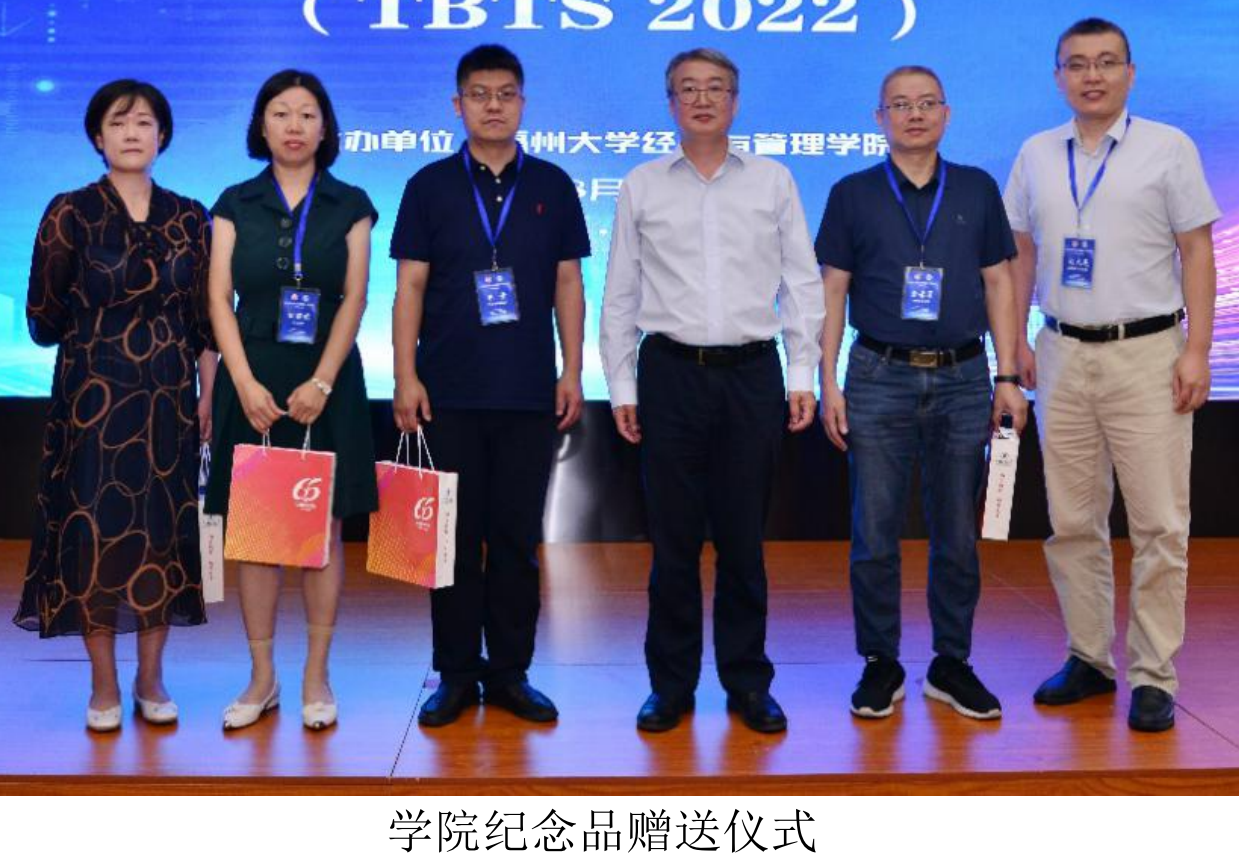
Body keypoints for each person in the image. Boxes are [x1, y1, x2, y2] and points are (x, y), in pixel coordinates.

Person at [1004, 16, 1220, 734]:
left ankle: (1154, 675)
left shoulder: (1168, 147)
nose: (1091, 76)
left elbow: (1197, 251)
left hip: (1148, 352)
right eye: (1076, 64)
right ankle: (1089, 659)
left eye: (1105, 62)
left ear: (1130, 72)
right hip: (1060, 351)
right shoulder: (1036, 153)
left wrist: (1197, 350)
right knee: (1071, 521)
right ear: (1057, 76)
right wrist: (1014, 343)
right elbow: (1021, 254)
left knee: (1158, 523)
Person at [600, 47, 824, 735]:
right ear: (670, 103)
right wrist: (620, 382)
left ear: (735, 101)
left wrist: (802, 371)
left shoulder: (773, 180)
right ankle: (670, 686)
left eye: (716, 88)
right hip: (669, 374)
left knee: (742, 542)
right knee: (672, 544)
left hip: (752, 375)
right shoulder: (641, 184)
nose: (702, 99)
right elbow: (621, 290)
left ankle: (747, 682)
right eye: (688, 89)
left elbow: (802, 281)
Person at [815, 65, 1026, 721]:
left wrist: (1008, 375)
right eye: (900, 105)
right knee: (874, 529)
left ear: (946, 113)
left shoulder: (976, 188)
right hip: (878, 374)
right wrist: (826, 380)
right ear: (879, 118)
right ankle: (880, 662)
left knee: (957, 530)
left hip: (964, 377)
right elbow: (832, 291)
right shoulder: (852, 193)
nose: (914, 114)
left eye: (927, 103)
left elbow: (1000, 283)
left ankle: (951, 662)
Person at [390, 44, 590, 728]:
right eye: (479, 94)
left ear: (523, 103)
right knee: (449, 541)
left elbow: (569, 282)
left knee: (514, 541)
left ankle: (509, 672)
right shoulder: (429, 186)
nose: (493, 105)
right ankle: (454, 673)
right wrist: (405, 374)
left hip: (529, 392)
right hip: (447, 391)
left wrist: (572, 369)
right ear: (458, 105)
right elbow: (409, 286)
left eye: (506, 94)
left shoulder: (553, 184)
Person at [18, 79, 214, 732]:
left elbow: (207, 322)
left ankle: (150, 679)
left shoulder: (191, 217)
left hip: (168, 403)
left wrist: (209, 394)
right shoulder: (70, 213)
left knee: (161, 538)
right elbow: (43, 318)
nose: (133, 132)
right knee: (93, 538)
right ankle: (102, 685)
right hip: (92, 403)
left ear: (164, 136)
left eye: (146, 121)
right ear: (97, 137)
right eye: (119, 122)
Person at [206, 69, 378, 732]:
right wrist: (243, 382)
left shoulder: (350, 203)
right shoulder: (235, 201)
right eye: (281, 113)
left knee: (322, 530)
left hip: (325, 381)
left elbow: (355, 297)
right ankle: (262, 677)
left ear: (325, 126)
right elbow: (218, 298)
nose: (295, 125)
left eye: (307, 113)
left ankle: (316, 675)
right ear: (262, 125)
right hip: (253, 376)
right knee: (255, 534)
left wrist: (323, 382)